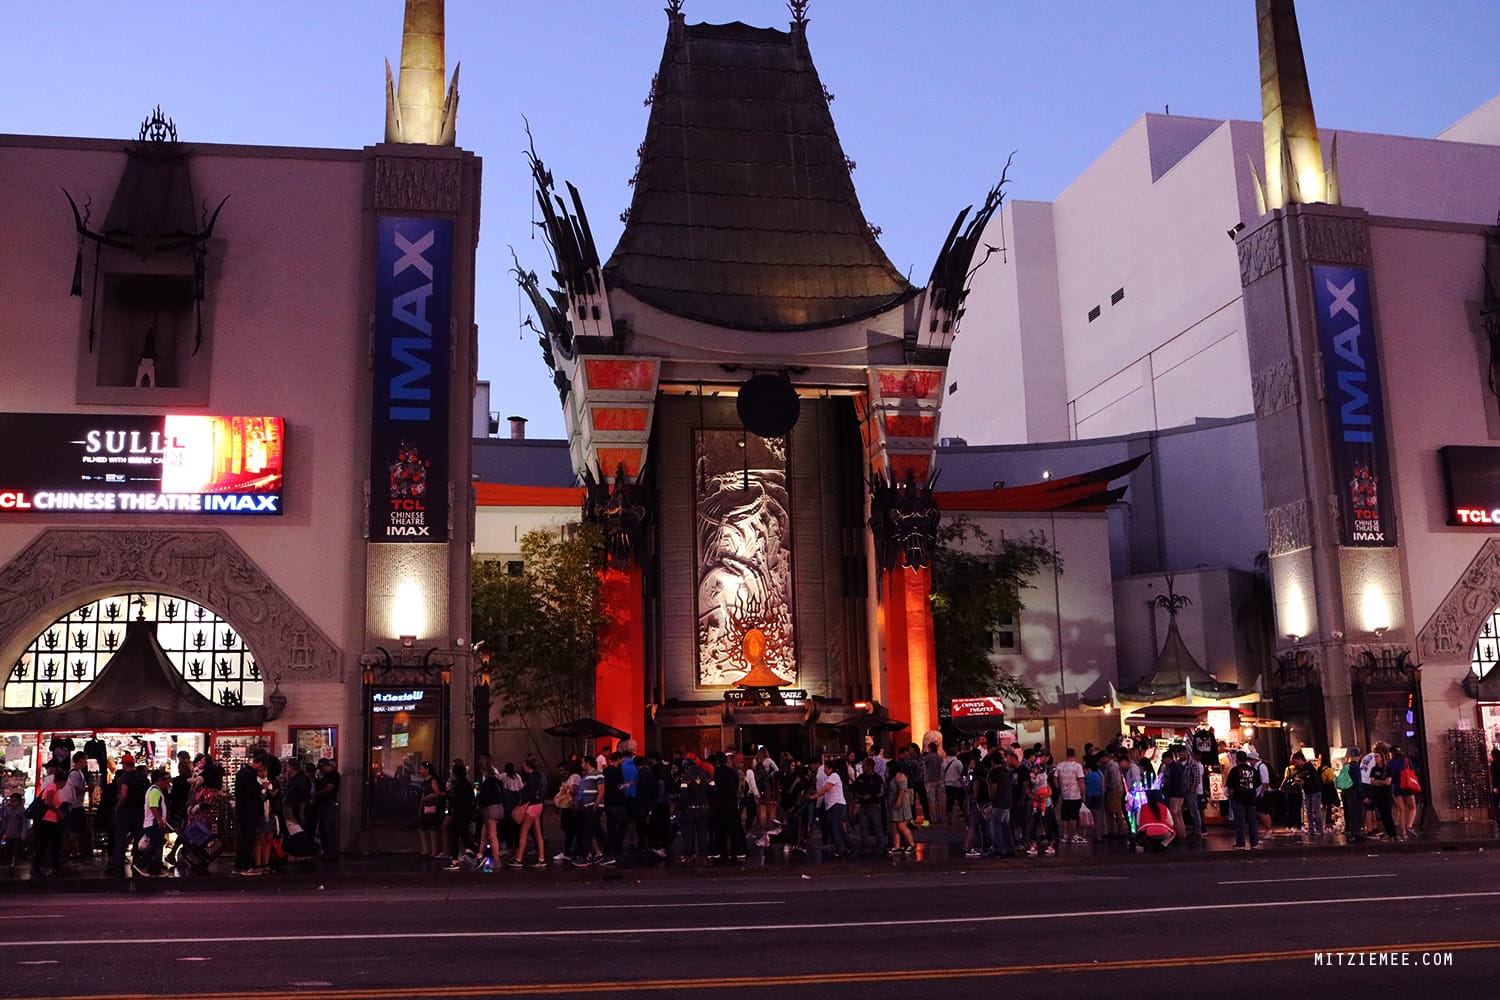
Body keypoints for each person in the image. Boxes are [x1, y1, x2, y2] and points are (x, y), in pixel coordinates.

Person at [106, 753, 148, 877]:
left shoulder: (125, 777)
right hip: (139, 812)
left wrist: (117, 807)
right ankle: (137, 863)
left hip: (126, 812)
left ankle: (118, 867)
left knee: (119, 839)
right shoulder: (142, 777)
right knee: (138, 839)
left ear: (124, 764)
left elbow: (124, 795)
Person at [234, 752, 267, 876]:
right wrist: (262, 788)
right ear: (261, 765)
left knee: (242, 838)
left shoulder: (241, 772)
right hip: (250, 811)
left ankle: (238, 865)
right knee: (249, 838)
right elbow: (253, 793)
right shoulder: (250, 775)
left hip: (241, 810)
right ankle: (246, 866)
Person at [31, 766, 66, 877]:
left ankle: (52, 866)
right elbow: (47, 802)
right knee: (46, 844)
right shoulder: (52, 787)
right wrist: (58, 811)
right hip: (47, 821)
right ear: (63, 781)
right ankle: (38, 866)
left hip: (51, 821)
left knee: (51, 844)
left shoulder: (53, 788)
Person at [137, 768, 172, 878]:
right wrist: (159, 819)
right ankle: (141, 865)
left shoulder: (155, 790)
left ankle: (155, 870)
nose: (167, 783)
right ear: (159, 780)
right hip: (153, 823)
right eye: (165, 780)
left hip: (155, 823)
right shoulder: (155, 791)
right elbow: (153, 806)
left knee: (158, 845)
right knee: (155, 845)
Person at [512, 756, 547, 867]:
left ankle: (519, 858)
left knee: (523, 832)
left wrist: (521, 805)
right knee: (538, 833)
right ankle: (541, 858)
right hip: (539, 804)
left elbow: (529, 794)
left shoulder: (532, 778)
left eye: (524, 766)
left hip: (531, 806)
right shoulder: (539, 776)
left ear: (528, 766)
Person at [1361, 742, 1398, 839]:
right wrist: (1381, 782)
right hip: (1373, 787)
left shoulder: (1367, 757)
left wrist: (1377, 781)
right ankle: (1372, 830)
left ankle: (1373, 828)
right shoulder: (1377, 762)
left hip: (1365, 783)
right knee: (1373, 810)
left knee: (1371, 808)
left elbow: (1385, 781)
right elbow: (1383, 781)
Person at [1226, 750, 1261, 850]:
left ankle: (1241, 843)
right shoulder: (1253, 770)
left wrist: (1231, 796)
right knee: (1252, 822)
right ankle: (1254, 843)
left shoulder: (1234, 771)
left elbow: (1230, 787)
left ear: (1237, 760)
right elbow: (1258, 784)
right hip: (1251, 799)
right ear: (1246, 760)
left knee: (1239, 822)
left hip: (1238, 799)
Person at [443, 760, 474, 868]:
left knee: (458, 836)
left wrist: (449, 796)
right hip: (464, 813)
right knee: (461, 836)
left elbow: (456, 799)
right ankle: (456, 859)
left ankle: (457, 859)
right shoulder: (467, 784)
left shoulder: (459, 785)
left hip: (459, 813)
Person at [850, 757, 885, 856]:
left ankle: (880, 846)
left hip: (874, 805)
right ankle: (865, 847)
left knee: (877, 826)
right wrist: (858, 796)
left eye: (864, 766)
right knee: (863, 827)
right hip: (863, 805)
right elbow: (854, 788)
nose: (863, 768)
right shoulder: (861, 778)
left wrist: (871, 796)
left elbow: (881, 792)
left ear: (870, 766)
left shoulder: (877, 778)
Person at [1054, 747, 1087, 844]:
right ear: (1074, 755)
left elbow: (1055, 778)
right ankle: (1074, 835)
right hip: (1075, 794)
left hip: (1064, 794)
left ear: (1066, 755)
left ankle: (1065, 834)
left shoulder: (1060, 765)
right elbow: (1080, 780)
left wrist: (1059, 788)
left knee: (1065, 816)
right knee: (1074, 816)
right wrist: (1083, 792)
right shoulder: (1077, 766)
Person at [313, 758, 341, 859]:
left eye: (321, 768)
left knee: (328, 827)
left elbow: (329, 788)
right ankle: (326, 850)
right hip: (323, 803)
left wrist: (315, 794)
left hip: (328, 803)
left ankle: (331, 851)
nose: (320, 770)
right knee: (323, 828)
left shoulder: (333, 775)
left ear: (326, 766)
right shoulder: (325, 776)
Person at [416, 761, 445, 858]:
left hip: (431, 806)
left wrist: (427, 798)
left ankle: (434, 850)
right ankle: (426, 849)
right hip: (424, 806)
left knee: (432, 828)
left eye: (421, 768)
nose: (420, 771)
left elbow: (437, 793)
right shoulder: (424, 781)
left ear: (427, 770)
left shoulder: (432, 780)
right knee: (422, 827)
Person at [886, 761, 915, 855]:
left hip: (900, 803)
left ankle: (912, 844)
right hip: (893, 802)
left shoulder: (900, 775)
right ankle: (897, 846)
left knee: (901, 825)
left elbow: (902, 789)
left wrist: (898, 801)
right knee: (894, 827)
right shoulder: (894, 776)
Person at [1337, 747, 1365, 843]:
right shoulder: (1356, 766)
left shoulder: (1346, 766)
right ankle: (1357, 834)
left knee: (1350, 813)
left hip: (1347, 793)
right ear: (1358, 756)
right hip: (1354, 794)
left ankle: (1350, 831)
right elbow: (1357, 782)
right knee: (1356, 814)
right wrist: (1362, 795)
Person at [1388, 746, 1416, 838]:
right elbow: (1412, 771)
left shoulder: (1390, 763)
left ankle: (1403, 833)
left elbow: (1388, 775)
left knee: (1401, 810)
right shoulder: (1406, 760)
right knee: (1412, 808)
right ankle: (1409, 825)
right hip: (1407, 785)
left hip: (1396, 787)